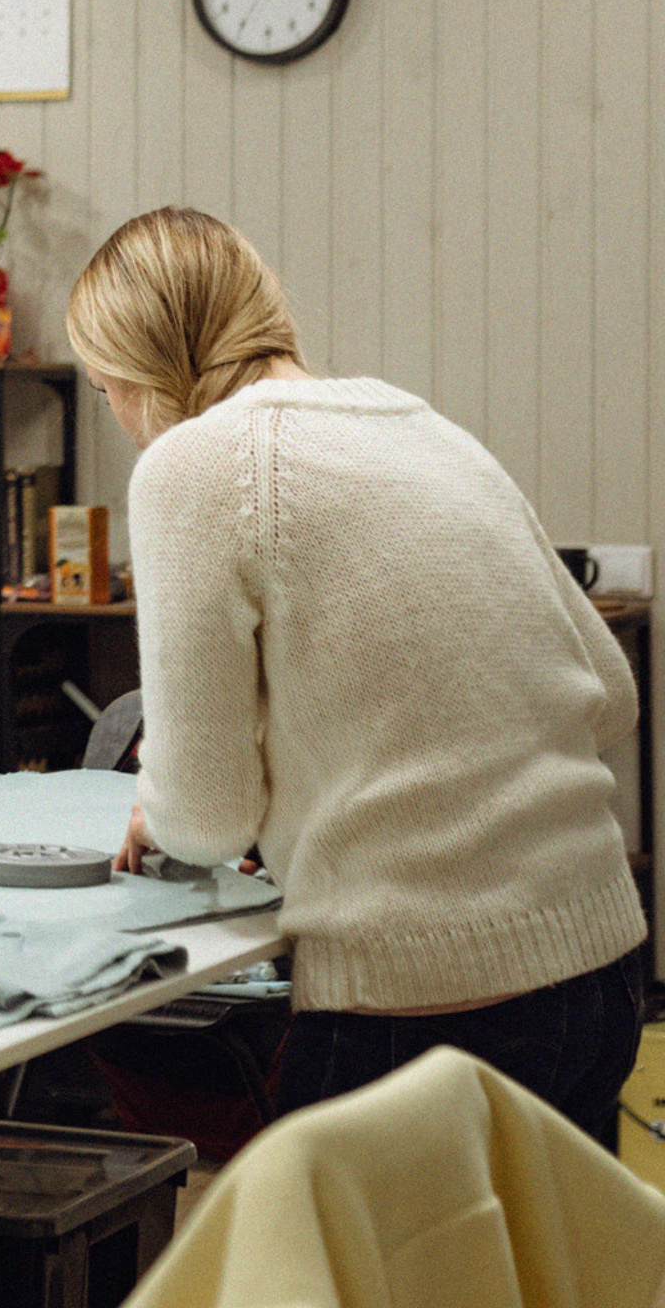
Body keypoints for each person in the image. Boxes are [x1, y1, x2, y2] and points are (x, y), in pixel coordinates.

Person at [66, 206, 644, 1148]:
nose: (121, 419)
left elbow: (204, 819)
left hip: (425, 1001)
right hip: (599, 962)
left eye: (105, 391)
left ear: (136, 371)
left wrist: (161, 804)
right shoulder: (428, 429)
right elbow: (609, 694)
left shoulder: (192, 468)